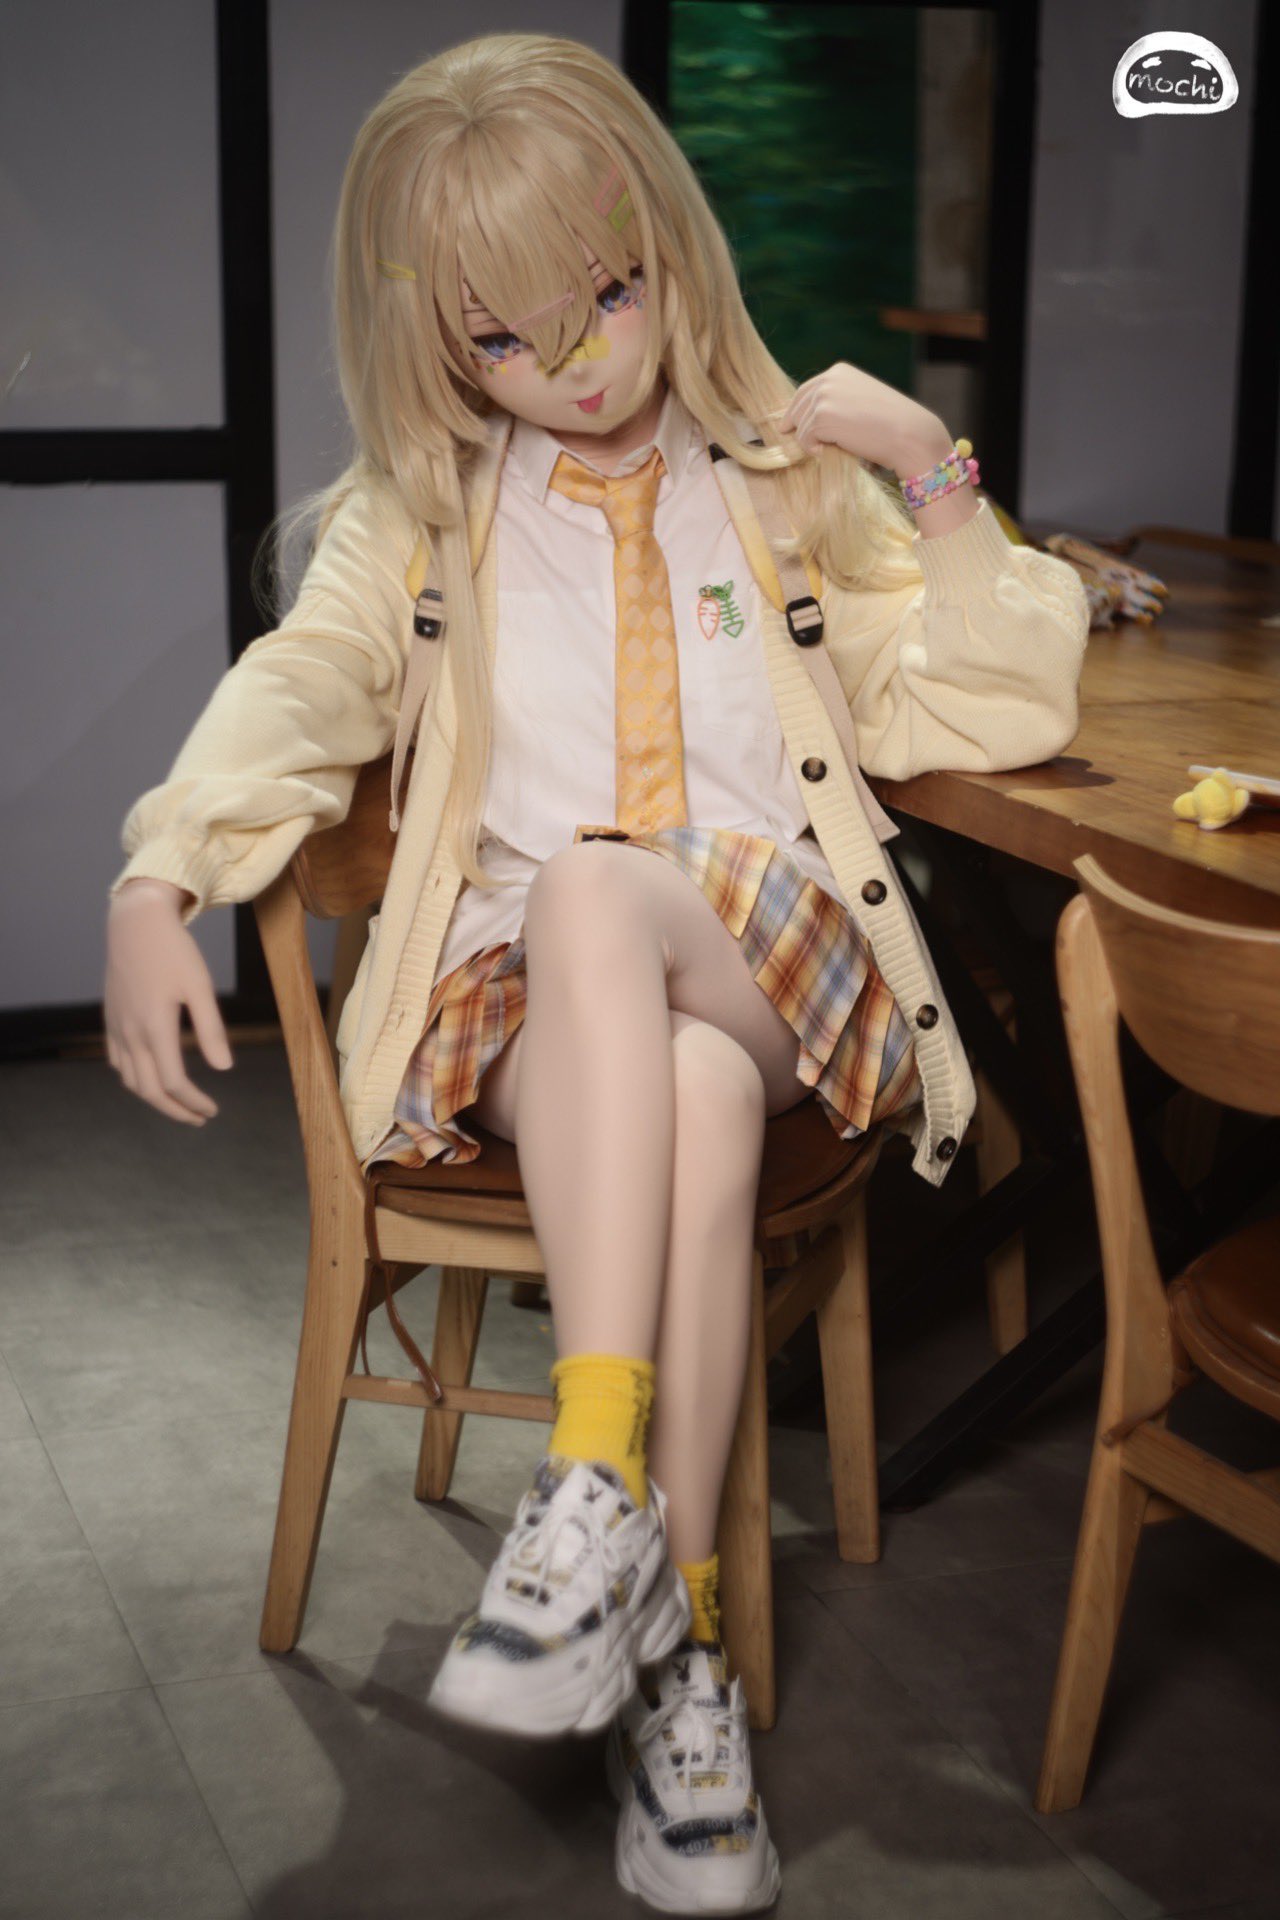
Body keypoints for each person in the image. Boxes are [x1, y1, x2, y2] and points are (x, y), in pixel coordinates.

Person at [103, 32, 1089, 1916]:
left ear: (669, 252)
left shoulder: (787, 483)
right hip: (534, 1009)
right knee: (668, 1070)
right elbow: (306, 686)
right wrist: (167, 868)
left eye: (609, 294)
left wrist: (934, 471)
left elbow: (1000, 706)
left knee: (602, 895)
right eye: (504, 337)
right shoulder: (424, 514)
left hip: (770, 960)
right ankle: (682, 1652)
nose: (576, 363)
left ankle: (588, 1479)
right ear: (435, 342)